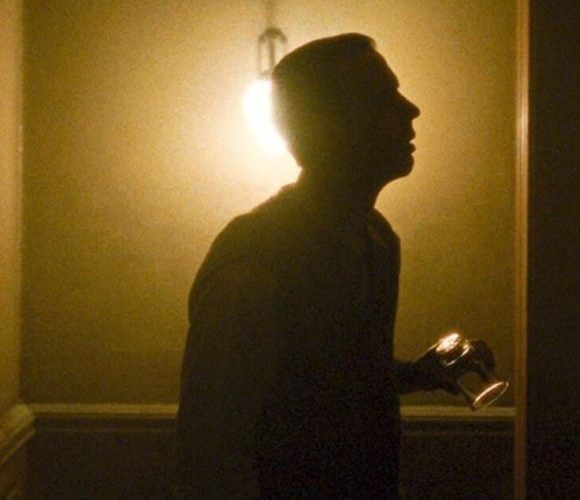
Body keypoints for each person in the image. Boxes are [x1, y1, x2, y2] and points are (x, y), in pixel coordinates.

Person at [176, 33, 485, 498]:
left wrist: (419, 375)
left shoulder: (377, 239)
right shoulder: (255, 261)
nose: (411, 110)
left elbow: (322, 382)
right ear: (326, 126)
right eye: (382, 98)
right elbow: (213, 447)